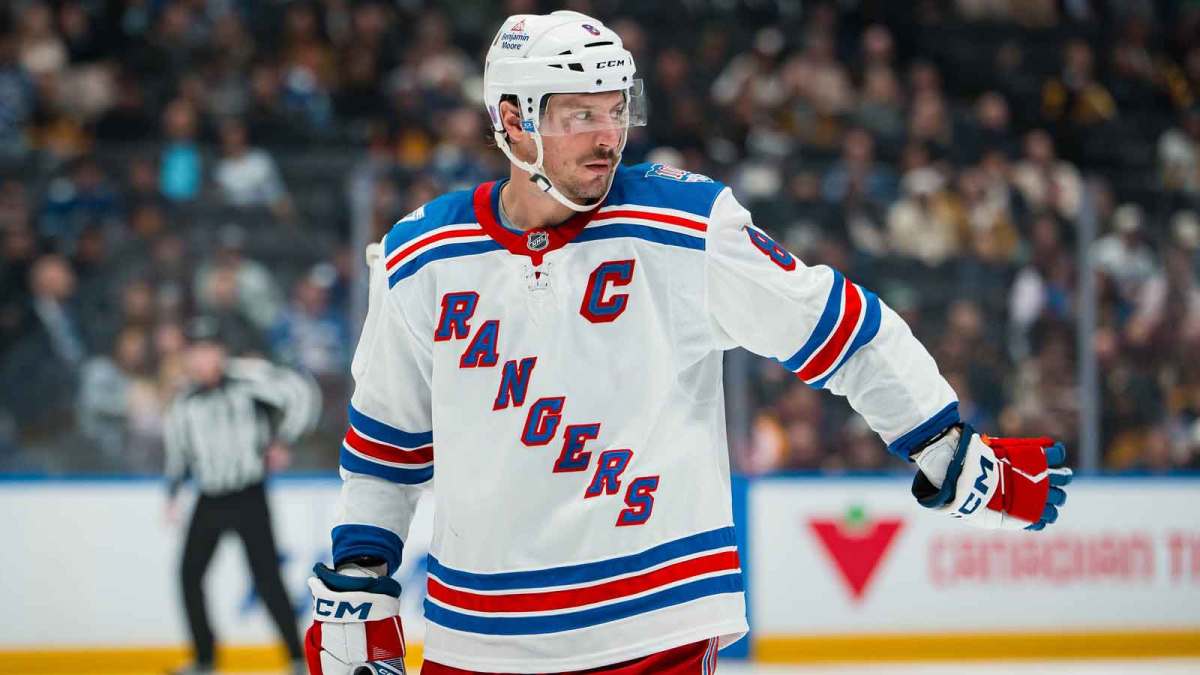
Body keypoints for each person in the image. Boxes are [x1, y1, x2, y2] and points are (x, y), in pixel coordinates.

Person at [305, 11, 1074, 675]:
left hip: (652, 626)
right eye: (579, 115)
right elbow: (388, 447)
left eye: (616, 110)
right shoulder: (422, 256)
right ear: (513, 121)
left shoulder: (684, 228)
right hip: (478, 639)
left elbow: (840, 323)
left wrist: (945, 444)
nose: (608, 136)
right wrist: (360, 575)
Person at [164, 317, 321, 675]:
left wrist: (284, 439)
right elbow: (178, 453)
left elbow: (301, 394)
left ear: (220, 352)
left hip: (249, 494)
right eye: (196, 352)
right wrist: (172, 495)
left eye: (209, 350)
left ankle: (297, 658)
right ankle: (205, 659)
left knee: (267, 577)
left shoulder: (248, 381)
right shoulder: (184, 403)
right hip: (209, 497)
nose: (203, 359)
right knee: (189, 575)